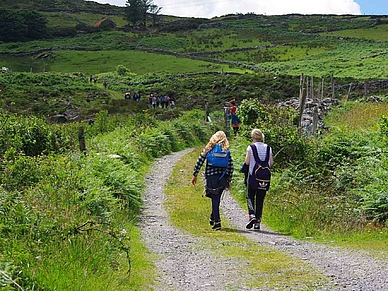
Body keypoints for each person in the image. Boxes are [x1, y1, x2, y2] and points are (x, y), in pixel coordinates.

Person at [191, 131, 234, 230]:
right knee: (216, 199)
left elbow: (200, 160)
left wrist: (195, 174)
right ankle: (213, 217)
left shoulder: (209, 148)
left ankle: (217, 222)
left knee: (214, 199)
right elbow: (231, 165)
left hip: (211, 178)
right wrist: (229, 178)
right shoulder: (225, 150)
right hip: (222, 178)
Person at [243, 128, 273, 230]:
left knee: (249, 196)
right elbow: (271, 163)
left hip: (253, 176)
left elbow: (247, 162)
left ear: (253, 137)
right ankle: (258, 223)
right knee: (260, 199)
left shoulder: (251, 147)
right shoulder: (268, 148)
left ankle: (252, 215)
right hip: (264, 178)